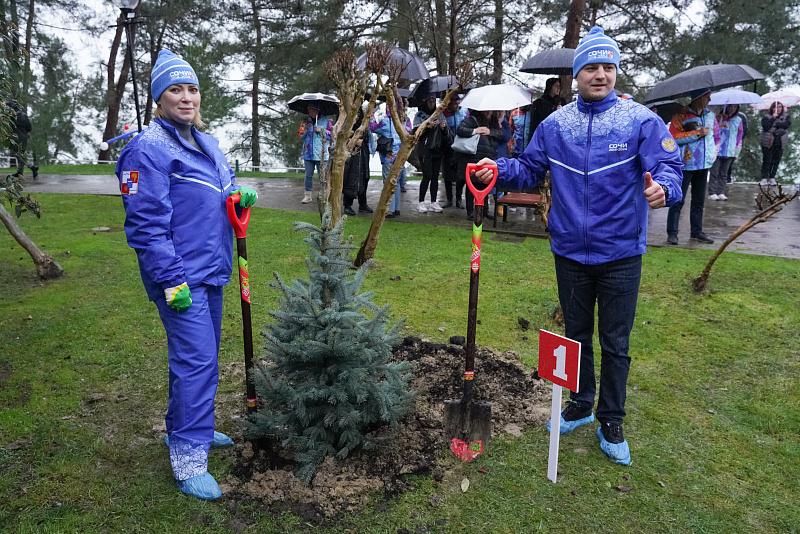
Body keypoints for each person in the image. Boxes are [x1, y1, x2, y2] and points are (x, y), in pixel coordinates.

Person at [473, 26, 683, 466]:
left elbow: (668, 164)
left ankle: (612, 420)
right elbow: (529, 168)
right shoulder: (555, 125)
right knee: (577, 333)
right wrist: (499, 169)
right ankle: (581, 403)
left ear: (616, 72)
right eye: (591, 67)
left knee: (616, 341)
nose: (600, 74)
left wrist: (664, 187)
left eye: (608, 67)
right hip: (569, 251)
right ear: (577, 74)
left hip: (621, 252)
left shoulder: (640, 120)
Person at [116, 50, 258, 501]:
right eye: (175, 89)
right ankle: (189, 455)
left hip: (211, 268)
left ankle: (187, 425)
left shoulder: (206, 142)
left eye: (192, 89)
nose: (186, 97)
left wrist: (236, 195)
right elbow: (146, 226)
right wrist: (170, 280)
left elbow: (223, 183)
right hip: (179, 277)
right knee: (196, 361)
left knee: (202, 357)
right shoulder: (146, 150)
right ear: (158, 98)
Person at [666, 89, 719, 245]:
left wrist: (712, 154)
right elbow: (673, 138)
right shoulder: (681, 115)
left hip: (704, 164)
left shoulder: (710, 115)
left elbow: (715, 136)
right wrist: (697, 133)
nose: (709, 100)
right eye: (707, 97)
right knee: (678, 199)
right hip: (685, 164)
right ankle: (672, 233)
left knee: (699, 201)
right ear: (698, 98)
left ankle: (696, 232)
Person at [455, 108, 504, 220]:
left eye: (490, 111)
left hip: (488, 158)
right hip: (473, 158)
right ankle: (470, 212)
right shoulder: (472, 120)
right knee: (471, 186)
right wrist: (475, 130)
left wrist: (490, 132)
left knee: (485, 185)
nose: (489, 113)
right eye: (486, 111)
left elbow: (501, 134)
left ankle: (484, 211)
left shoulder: (493, 121)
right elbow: (460, 130)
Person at [370, 93, 411, 218]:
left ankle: (390, 209)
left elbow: (373, 128)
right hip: (400, 155)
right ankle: (396, 208)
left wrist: (371, 116)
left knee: (388, 182)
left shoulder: (385, 121)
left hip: (388, 156)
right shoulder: (405, 121)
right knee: (396, 182)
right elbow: (409, 132)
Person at [413, 95, 445, 213]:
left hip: (437, 148)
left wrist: (443, 127)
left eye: (433, 99)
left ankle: (433, 202)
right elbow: (415, 132)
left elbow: (446, 132)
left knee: (435, 177)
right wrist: (427, 126)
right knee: (427, 175)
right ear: (425, 101)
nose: (432, 101)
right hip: (425, 149)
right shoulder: (419, 115)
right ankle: (421, 202)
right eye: (430, 99)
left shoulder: (440, 114)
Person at [298, 104, 333, 204]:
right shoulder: (305, 122)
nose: (310, 112)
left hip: (321, 154)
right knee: (308, 176)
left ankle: (324, 195)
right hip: (308, 153)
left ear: (318, 110)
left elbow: (332, 135)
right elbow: (300, 136)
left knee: (323, 177)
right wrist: (304, 130)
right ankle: (307, 196)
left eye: (313, 110)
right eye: (309, 110)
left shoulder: (327, 121)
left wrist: (322, 130)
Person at [708, 104, 744, 200]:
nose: (732, 108)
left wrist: (737, 151)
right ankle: (712, 192)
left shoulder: (738, 120)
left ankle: (721, 192)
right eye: (730, 106)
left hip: (730, 151)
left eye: (735, 107)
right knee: (714, 172)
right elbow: (712, 132)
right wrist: (719, 124)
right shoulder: (718, 118)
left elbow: (739, 136)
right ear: (726, 107)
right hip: (717, 150)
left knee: (724, 173)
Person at [342, 106, 373, 215]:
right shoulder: (346, 121)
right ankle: (347, 205)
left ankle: (363, 204)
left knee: (364, 178)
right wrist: (353, 140)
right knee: (350, 178)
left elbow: (367, 137)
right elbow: (341, 137)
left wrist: (362, 140)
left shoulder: (363, 123)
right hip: (351, 155)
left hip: (363, 154)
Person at [442, 94, 467, 208]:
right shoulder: (443, 114)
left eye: (458, 103)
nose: (457, 105)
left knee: (460, 176)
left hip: (460, 149)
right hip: (447, 148)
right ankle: (449, 200)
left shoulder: (462, 113)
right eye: (454, 103)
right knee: (447, 176)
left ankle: (458, 199)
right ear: (449, 103)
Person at [759, 101, 791, 186]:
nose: (778, 109)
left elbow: (786, 125)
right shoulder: (767, 117)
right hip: (768, 141)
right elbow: (766, 127)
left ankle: (772, 177)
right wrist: (773, 118)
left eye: (780, 107)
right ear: (772, 108)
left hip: (780, 141)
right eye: (776, 107)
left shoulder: (786, 116)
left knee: (776, 160)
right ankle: (764, 177)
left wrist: (776, 124)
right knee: (767, 160)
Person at [6, 100, 39, 178]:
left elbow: (9, 127)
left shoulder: (12, 116)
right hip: (24, 137)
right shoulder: (24, 115)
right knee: (21, 154)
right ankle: (20, 172)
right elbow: (29, 127)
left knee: (17, 154)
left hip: (16, 137)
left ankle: (31, 166)